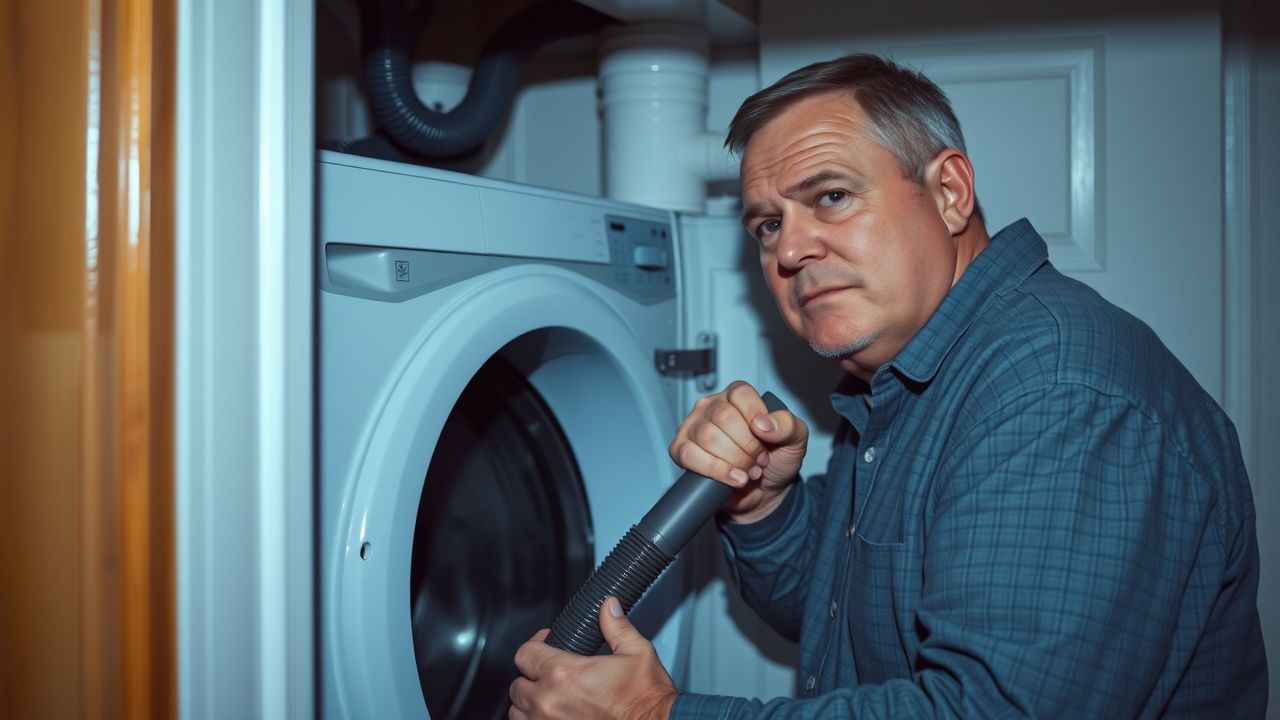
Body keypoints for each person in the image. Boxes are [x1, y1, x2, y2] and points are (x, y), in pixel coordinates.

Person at [508, 53, 1268, 719]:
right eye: (766, 224)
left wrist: (653, 715)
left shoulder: (1056, 392)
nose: (791, 249)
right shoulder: (898, 378)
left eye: (831, 196)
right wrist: (768, 508)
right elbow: (837, 614)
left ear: (950, 192)